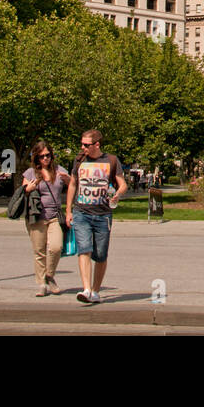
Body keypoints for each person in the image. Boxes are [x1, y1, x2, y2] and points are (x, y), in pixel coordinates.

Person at [65, 129, 128, 304]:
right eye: (82, 144)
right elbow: (72, 185)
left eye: (86, 145)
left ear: (97, 144)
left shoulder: (111, 160)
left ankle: (95, 291)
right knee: (84, 249)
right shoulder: (79, 160)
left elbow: (123, 184)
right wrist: (68, 211)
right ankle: (86, 289)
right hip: (81, 212)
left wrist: (117, 194)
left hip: (103, 214)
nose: (82, 147)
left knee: (100, 255)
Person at [23, 140, 70, 297]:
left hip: (55, 216)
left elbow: (72, 185)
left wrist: (68, 180)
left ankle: (49, 275)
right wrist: (29, 188)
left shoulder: (58, 170)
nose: (45, 159)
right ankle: (42, 283)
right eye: (42, 156)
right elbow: (24, 191)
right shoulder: (31, 173)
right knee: (39, 251)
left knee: (56, 247)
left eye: (48, 155)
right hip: (36, 216)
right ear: (36, 158)